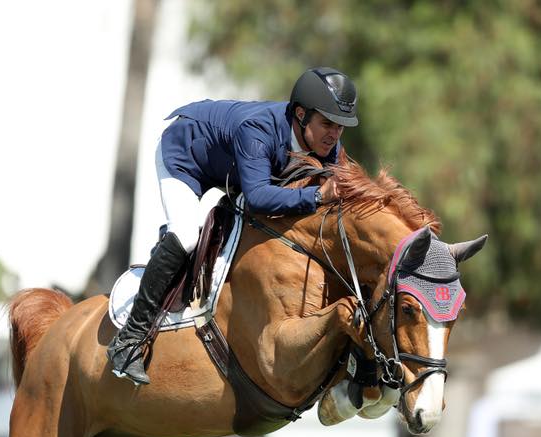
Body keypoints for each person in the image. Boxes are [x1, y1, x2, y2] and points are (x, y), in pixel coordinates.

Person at [108, 67, 359, 384]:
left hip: (231, 166)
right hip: (185, 152)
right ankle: (129, 340)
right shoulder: (257, 131)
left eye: (340, 127)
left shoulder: (328, 147)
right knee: (185, 235)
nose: (334, 135)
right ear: (300, 114)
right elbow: (257, 197)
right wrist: (317, 196)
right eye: (327, 124)